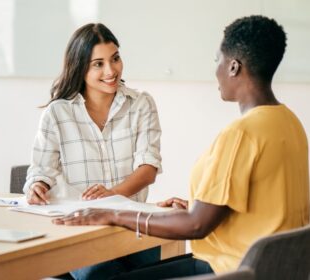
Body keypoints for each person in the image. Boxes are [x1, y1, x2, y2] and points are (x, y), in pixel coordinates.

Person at [53, 15, 310, 279]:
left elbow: (196, 226)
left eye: (217, 61)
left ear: (233, 67)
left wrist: (113, 214)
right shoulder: (289, 123)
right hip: (269, 269)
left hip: (227, 270)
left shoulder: (241, 134)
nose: (216, 70)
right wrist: (197, 207)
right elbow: (265, 207)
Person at [23, 23, 162, 279]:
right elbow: (41, 171)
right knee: (99, 274)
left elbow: (148, 169)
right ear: (80, 67)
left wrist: (111, 196)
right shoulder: (57, 113)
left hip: (132, 226)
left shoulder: (141, 104)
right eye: (98, 64)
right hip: (79, 229)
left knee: (152, 270)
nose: (111, 71)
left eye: (115, 59)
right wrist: (38, 185)